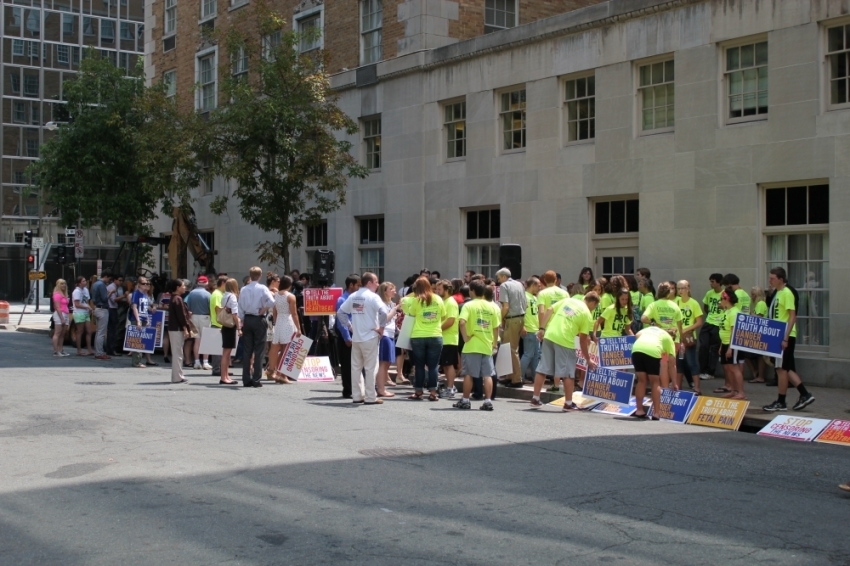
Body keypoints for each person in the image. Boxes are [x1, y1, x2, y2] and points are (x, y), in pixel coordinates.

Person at [530, 292, 598, 411]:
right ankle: (568, 403)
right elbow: (583, 341)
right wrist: (588, 359)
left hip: (550, 335)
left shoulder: (568, 300)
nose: (594, 309)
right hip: (565, 340)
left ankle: (535, 398)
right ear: (592, 303)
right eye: (595, 306)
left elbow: (550, 309)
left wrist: (541, 328)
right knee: (568, 373)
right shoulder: (587, 314)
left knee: (542, 368)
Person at [763, 267, 815, 412]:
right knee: (786, 367)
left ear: (781, 279)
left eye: (772, 278)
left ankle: (781, 401)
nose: (770, 280)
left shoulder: (787, 293)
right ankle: (804, 394)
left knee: (781, 369)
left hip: (783, 334)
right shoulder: (778, 292)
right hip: (777, 333)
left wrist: (785, 338)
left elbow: (792, 316)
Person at [338, 273, 386, 405]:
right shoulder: (373, 297)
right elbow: (384, 311)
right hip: (370, 336)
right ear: (369, 282)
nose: (378, 284)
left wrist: (349, 326)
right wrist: (381, 328)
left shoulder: (353, 296)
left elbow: (340, 313)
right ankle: (371, 397)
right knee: (370, 368)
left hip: (357, 337)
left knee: (356, 368)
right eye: (376, 281)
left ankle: (357, 395)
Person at [453, 280, 500, 411]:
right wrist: (494, 344)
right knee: (488, 374)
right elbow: (496, 328)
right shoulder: (493, 306)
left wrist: (465, 337)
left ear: (472, 291)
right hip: (487, 344)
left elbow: (462, 323)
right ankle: (488, 401)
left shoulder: (469, 305)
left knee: (469, 374)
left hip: (472, 344)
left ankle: (465, 400)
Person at [404, 276, 446, 401]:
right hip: (435, 334)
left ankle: (418, 391)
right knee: (433, 366)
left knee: (419, 365)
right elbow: (443, 316)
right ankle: (433, 393)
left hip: (418, 336)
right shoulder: (438, 298)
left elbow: (411, 315)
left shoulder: (416, 300)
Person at [641, 282, 684, 388]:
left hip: (661, 338)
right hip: (674, 339)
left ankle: (664, 389)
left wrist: (654, 324)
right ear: (669, 293)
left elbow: (643, 318)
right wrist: (681, 341)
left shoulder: (654, 305)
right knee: (672, 364)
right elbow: (680, 326)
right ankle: (674, 385)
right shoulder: (675, 305)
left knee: (663, 364)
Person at [238, 267, 276, 388]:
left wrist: (243, 319)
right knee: (259, 349)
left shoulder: (244, 289)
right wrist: (264, 308)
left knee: (247, 349)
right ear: (260, 276)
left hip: (248, 318)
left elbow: (240, 306)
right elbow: (272, 301)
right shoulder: (262, 288)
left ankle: (246, 379)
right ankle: (256, 379)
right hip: (259, 319)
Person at [630, 326, 676, 420]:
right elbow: (672, 365)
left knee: (641, 381)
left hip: (637, 349)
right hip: (653, 350)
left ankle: (639, 410)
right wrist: (675, 383)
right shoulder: (669, 339)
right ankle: (656, 413)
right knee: (655, 382)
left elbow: (636, 335)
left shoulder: (650, 329)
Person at [536, 270, 569, 391]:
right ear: (556, 280)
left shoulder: (543, 293)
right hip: (562, 327)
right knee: (560, 358)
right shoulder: (564, 293)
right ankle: (557, 384)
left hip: (549, 329)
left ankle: (539, 391)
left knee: (547, 359)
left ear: (544, 280)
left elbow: (541, 311)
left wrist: (541, 328)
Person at [496, 268, 527, 388]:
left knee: (511, 349)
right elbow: (525, 303)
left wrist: (499, 319)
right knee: (510, 348)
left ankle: (516, 379)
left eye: (499, 278)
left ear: (503, 276)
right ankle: (510, 376)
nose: (498, 281)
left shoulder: (504, 286)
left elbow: (505, 306)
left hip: (511, 318)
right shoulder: (519, 284)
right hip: (520, 318)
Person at [268, 275, 301, 384]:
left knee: (280, 349)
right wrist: (298, 328)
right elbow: (294, 313)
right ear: (290, 285)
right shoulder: (290, 296)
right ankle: (283, 375)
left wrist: (276, 323)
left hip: (279, 322)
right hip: (288, 321)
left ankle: (277, 372)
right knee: (287, 350)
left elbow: (275, 312)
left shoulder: (276, 295)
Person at [715, 287, 745, 400]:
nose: (720, 301)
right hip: (725, 343)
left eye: (721, 299)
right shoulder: (726, 311)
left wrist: (730, 348)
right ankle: (733, 390)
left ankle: (741, 392)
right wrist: (722, 346)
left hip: (732, 344)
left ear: (726, 299)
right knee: (728, 368)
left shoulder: (734, 312)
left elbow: (734, 331)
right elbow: (724, 329)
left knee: (734, 368)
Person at [335, 274, 361, 399]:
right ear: (351, 285)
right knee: (346, 364)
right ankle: (347, 389)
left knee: (356, 364)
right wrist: (347, 337)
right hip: (347, 337)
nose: (359, 288)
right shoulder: (342, 300)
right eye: (357, 285)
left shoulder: (356, 299)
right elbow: (341, 321)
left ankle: (356, 388)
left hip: (357, 335)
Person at [675, 280, 703, 393]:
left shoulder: (693, 303)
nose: (681, 291)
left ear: (688, 288)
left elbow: (699, 322)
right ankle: (678, 387)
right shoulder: (676, 302)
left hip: (688, 338)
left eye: (683, 288)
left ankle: (697, 388)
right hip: (678, 338)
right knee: (679, 362)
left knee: (691, 362)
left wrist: (686, 329)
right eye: (679, 288)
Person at [436, 279, 460, 398]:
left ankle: (450, 388)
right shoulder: (444, 301)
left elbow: (450, 321)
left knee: (449, 364)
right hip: (444, 338)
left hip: (449, 339)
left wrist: (437, 328)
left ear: (446, 290)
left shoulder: (450, 302)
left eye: (439, 289)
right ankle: (450, 386)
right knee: (445, 365)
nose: (437, 291)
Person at [165, 279, 191, 384]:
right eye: (183, 286)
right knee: (177, 353)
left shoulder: (174, 298)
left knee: (178, 352)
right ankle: (177, 377)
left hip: (174, 328)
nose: (184, 287)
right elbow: (181, 316)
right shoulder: (178, 299)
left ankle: (178, 375)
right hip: (177, 329)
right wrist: (185, 329)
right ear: (177, 287)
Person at [699, 273, 724, 380]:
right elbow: (705, 306)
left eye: (713, 281)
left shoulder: (724, 294)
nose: (711, 284)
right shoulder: (709, 293)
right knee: (703, 346)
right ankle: (702, 370)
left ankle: (711, 372)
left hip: (718, 324)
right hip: (709, 322)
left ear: (719, 283)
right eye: (710, 281)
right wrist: (710, 314)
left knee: (714, 348)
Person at [185, 276, 213, 370]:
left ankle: (196, 361)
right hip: (205, 316)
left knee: (197, 340)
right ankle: (205, 362)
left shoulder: (191, 293)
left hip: (193, 317)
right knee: (206, 340)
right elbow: (211, 308)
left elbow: (187, 306)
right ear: (206, 283)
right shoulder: (208, 294)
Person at [376, 281, 399, 396]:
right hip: (384, 334)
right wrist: (395, 310)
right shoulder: (382, 304)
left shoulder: (391, 303)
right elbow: (385, 319)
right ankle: (381, 389)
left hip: (390, 334)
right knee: (383, 363)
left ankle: (381, 385)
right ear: (385, 291)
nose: (394, 291)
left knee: (387, 362)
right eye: (391, 289)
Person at [217, 279, 241, 385]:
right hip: (230, 325)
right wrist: (239, 328)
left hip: (225, 325)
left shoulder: (224, 295)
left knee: (226, 352)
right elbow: (235, 314)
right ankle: (224, 377)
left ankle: (225, 376)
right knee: (227, 353)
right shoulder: (233, 297)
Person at [520, 276, 541, 383]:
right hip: (529, 328)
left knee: (536, 355)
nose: (539, 288)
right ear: (533, 285)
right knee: (528, 354)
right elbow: (521, 312)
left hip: (535, 329)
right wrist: (522, 326)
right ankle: (520, 377)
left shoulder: (534, 297)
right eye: (538, 286)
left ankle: (535, 376)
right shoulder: (525, 297)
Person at [128, 276, 152, 368]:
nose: (146, 285)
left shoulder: (145, 294)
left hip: (144, 318)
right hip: (137, 318)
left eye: (147, 283)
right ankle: (136, 361)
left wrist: (148, 319)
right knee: (137, 340)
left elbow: (145, 309)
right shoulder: (136, 293)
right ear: (138, 284)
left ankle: (139, 360)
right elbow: (134, 307)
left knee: (142, 340)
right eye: (144, 283)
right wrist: (138, 320)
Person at [747, 286, 768, 384]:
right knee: (757, 355)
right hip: (757, 331)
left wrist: (750, 314)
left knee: (760, 356)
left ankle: (760, 375)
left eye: (753, 294)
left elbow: (758, 318)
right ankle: (757, 373)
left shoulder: (760, 304)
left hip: (760, 332)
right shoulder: (757, 304)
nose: (752, 296)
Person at [209, 275, 228, 377]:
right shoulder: (217, 294)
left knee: (220, 349)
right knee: (217, 349)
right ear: (223, 283)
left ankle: (220, 369)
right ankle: (216, 369)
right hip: (218, 324)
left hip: (218, 324)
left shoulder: (219, 293)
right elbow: (218, 309)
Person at [71, 276, 95, 356]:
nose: (85, 282)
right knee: (80, 331)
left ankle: (89, 349)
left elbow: (86, 301)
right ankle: (79, 350)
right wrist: (87, 306)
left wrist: (89, 308)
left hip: (86, 312)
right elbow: (77, 304)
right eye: (83, 281)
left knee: (89, 331)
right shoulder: (76, 291)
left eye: (85, 280)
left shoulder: (86, 290)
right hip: (79, 312)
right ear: (79, 283)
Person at [51, 279, 71, 356]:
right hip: (59, 314)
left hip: (65, 313)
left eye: (65, 284)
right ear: (58, 285)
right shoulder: (57, 294)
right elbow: (57, 307)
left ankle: (61, 349)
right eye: (62, 284)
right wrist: (62, 318)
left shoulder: (64, 294)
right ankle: (56, 351)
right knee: (57, 333)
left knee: (63, 334)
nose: (64, 285)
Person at [105, 274, 123, 357]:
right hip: (112, 309)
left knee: (112, 330)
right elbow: (113, 300)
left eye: (122, 280)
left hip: (112, 309)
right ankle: (111, 349)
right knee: (113, 330)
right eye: (119, 280)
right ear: (115, 280)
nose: (121, 282)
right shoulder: (112, 287)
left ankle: (110, 349)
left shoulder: (116, 287)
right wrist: (124, 296)